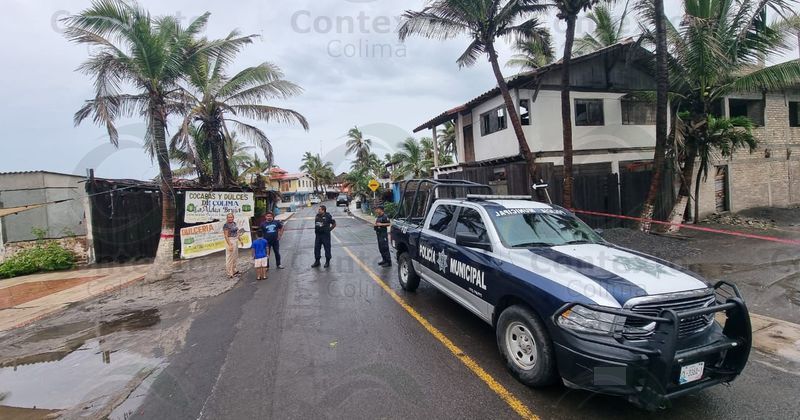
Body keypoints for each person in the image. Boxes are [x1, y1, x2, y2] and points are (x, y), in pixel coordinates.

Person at [222, 213, 244, 278]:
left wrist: (240, 240)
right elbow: (226, 236)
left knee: (235, 256)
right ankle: (229, 273)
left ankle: (234, 270)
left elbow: (237, 232)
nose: (230, 218)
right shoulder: (226, 225)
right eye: (229, 217)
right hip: (230, 240)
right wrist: (230, 245)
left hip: (235, 239)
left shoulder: (234, 223)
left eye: (231, 217)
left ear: (233, 218)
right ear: (227, 218)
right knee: (230, 257)